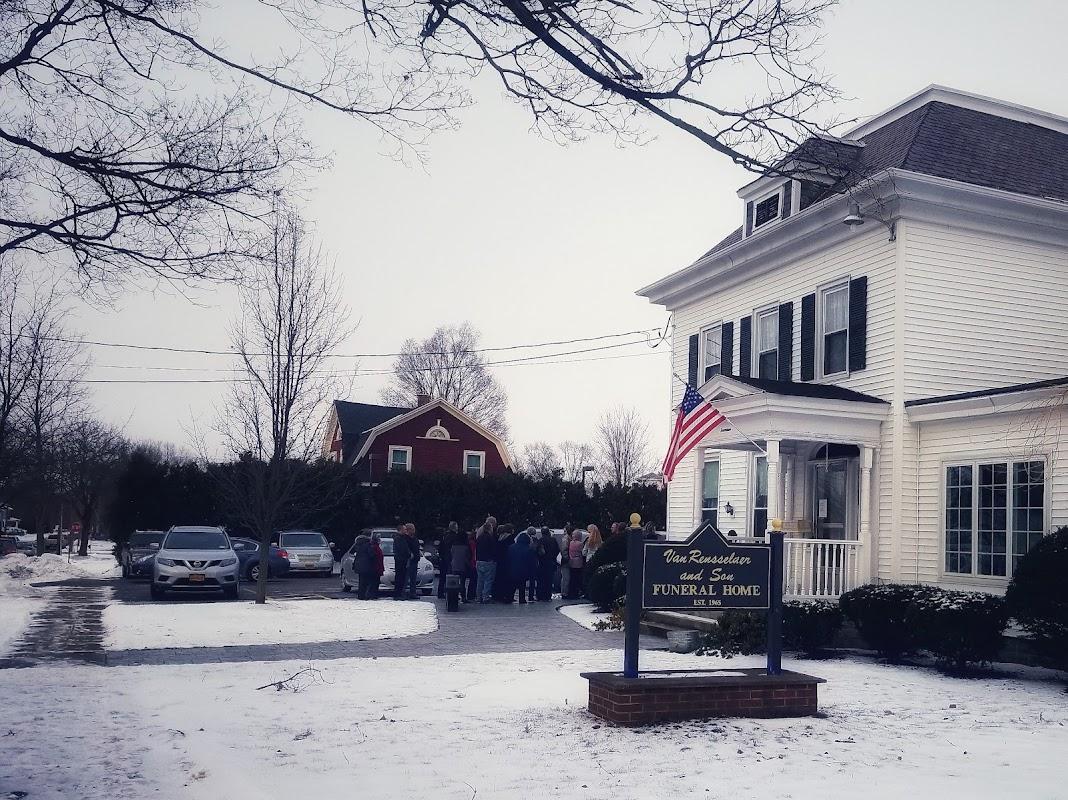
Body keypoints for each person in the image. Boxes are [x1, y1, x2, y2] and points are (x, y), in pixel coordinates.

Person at [508, 528, 538, 604]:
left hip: (513, 569)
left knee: (513, 585)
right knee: (522, 585)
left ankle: (509, 597)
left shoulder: (511, 547)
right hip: (524, 571)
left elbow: (508, 559)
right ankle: (522, 599)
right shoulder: (529, 549)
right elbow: (531, 562)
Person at [475, 516, 498, 603]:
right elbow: (493, 550)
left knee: (480, 580)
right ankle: (486, 597)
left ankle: (478, 597)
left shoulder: (479, 537)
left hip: (479, 561)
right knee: (488, 580)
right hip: (488, 561)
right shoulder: (490, 538)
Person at [535, 527, 559, 602]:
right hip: (551, 562)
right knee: (549, 580)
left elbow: (537, 551)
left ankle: (540, 596)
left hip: (542, 563)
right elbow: (557, 550)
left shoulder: (540, 540)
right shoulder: (553, 540)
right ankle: (548, 596)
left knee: (541, 580)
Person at [493, 524, 516, 603]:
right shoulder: (510, 539)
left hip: (499, 562)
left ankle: (498, 595)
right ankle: (507, 596)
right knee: (508, 580)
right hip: (508, 562)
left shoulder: (500, 538)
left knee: (500, 579)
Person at [437, 522, 460, 599]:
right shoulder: (454, 537)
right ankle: (450, 593)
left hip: (443, 558)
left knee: (442, 577)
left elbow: (440, 547)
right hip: (450, 558)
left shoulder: (444, 536)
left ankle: (440, 593)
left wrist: (441, 556)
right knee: (451, 576)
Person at [392, 523, 413, 600]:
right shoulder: (398, 538)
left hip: (402, 559)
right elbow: (402, 549)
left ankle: (399, 593)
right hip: (400, 560)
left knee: (401, 577)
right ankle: (397, 594)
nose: (406, 531)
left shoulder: (402, 538)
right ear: (400, 530)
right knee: (399, 577)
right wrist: (408, 554)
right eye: (404, 529)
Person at [352, 533, 375, 599]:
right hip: (366, 565)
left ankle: (360, 595)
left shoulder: (358, 546)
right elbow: (371, 555)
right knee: (366, 582)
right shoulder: (368, 545)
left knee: (361, 581)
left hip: (359, 566)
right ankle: (365, 595)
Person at [567, 529, 586, 599]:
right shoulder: (580, 544)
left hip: (571, 562)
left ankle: (571, 593)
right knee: (577, 578)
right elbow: (583, 552)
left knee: (572, 578)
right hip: (578, 563)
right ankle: (576, 593)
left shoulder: (571, 543)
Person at [404, 523, 421, 599]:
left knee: (413, 578)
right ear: (408, 530)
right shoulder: (405, 538)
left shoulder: (415, 538)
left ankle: (412, 593)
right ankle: (403, 593)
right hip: (409, 560)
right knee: (406, 577)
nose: (414, 530)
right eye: (412, 529)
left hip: (415, 560)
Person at [559, 523, 574, 599]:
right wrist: (567, 558)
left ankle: (565, 592)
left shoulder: (567, 538)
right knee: (566, 578)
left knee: (566, 578)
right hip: (566, 561)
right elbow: (564, 550)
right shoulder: (566, 539)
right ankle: (564, 593)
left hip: (566, 560)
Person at [369, 532, 385, 599]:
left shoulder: (376, 547)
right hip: (375, 567)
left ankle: (374, 594)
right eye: (378, 539)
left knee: (375, 582)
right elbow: (374, 557)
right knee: (374, 582)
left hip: (377, 567)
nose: (380, 540)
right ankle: (372, 595)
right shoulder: (374, 547)